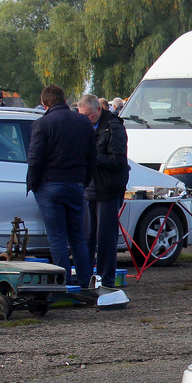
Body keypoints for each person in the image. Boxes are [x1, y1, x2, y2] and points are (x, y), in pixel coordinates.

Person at [27, 85, 96, 291]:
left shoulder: (42, 124)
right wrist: (84, 180)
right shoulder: (83, 122)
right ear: (65, 101)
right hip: (75, 184)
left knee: (57, 237)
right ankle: (85, 282)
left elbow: (35, 158)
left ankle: (62, 284)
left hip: (50, 185)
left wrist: (33, 183)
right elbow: (92, 156)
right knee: (78, 236)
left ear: (44, 104)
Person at [76, 95, 129, 286]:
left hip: (107, 188)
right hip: (88, 189)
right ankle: (85, 278)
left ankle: (107, 279)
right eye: (82, 116)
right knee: (87, 236)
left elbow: (119, 160)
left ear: (99, 110)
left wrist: (93, 157)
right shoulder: (83, 126)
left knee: (106, 237)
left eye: (89, 115)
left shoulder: (114, 127)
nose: (86, 119)